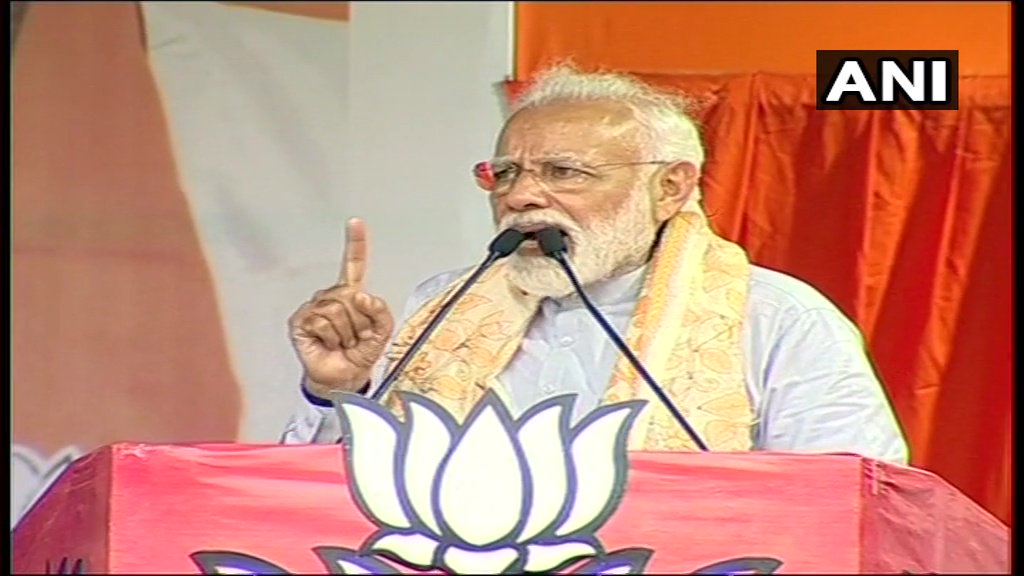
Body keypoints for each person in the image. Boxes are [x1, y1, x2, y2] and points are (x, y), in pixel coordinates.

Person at [280, 65, 909, 463]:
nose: (520, 196)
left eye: (564, 172)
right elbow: (321, 506)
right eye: (505, 174)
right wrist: (337, 391)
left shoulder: (776, 318)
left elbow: (846, 504)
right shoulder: (440, 309)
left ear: (670, 188)